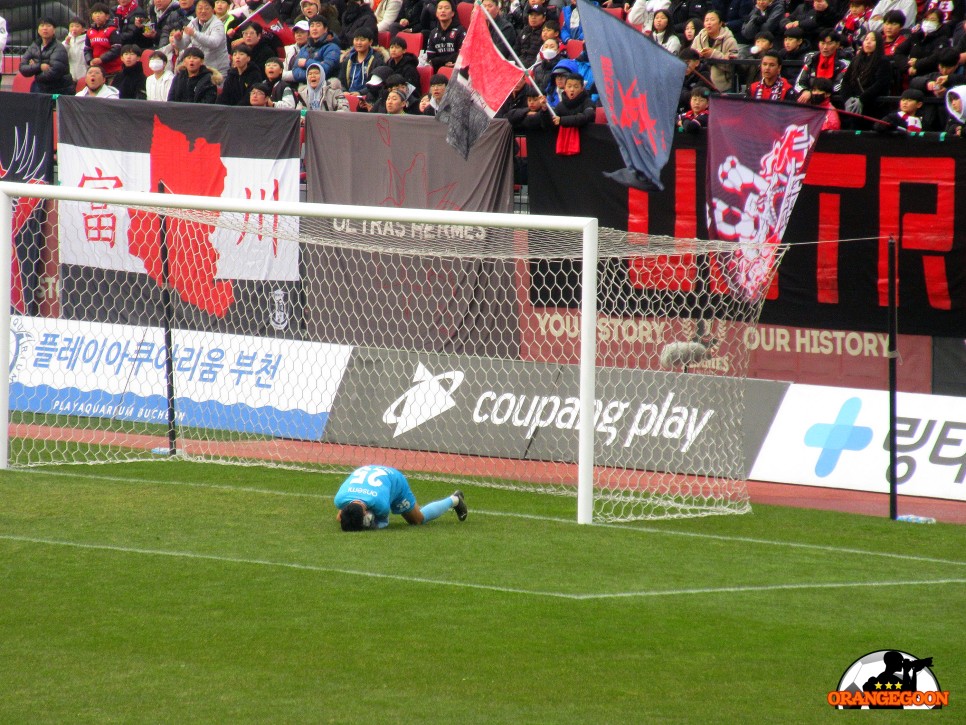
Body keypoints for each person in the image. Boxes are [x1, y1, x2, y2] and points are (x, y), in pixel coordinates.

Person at [334, 465, 467, 531]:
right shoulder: (340, 499)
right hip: (371, 473)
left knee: (417, 520)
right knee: (347, 519)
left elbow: (382, 523)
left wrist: (369, 523)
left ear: (365, 512)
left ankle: (455, 500)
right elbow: (341, 516)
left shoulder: (381, 505)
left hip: (394, 480)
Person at [838, 31, 893, 120]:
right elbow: (846, 81)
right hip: (854, 105)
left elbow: (880, 84)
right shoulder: (856, 60)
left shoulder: (883, 61)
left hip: (874, 106)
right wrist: (847, 99)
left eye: (873, 40)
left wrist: (862, 99)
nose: (868, 42)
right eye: (866, 39)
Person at [20, 18, 76, 95]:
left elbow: (54, 73)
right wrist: (39, 67)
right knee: (35, 88)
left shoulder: (59, 47)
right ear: (38, 30)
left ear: (54, 30)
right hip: (42, 87)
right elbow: (23, 68)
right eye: (42, 26)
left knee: (36, 86)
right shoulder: (34, 46)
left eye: (48, 26)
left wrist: (35, 71)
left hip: (59, 89)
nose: (45, 28)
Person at [794, 30, 850, 101]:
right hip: (810, 100)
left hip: (833, 100)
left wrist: (815, 93)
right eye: (822, 43)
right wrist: (805, 91)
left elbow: (839, 86)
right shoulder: (811, 59)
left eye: (829, 44)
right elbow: (799, 82)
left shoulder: (844, 63)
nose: (825, 47)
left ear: (837, 44)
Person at [690, 9, 738, 92]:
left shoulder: (730, 40)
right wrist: (698, 55)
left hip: (723, 86)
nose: (709, 23)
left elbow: (732, 66)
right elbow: (691, 55)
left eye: (712, 20)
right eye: (706, 20)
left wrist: (713, 54)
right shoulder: (699, 37)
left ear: (720, 23)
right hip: (702, 84)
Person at [179, 0, 230, 75]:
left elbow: (214, 43)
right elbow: (182, 45)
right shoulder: (192, 23)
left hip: (217, 70)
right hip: (199, 68)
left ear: (213, 10)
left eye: (206, 8)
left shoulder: (218, 24)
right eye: (200, 8)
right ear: (195, 10)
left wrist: (195, 34)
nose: (203, 11)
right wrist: (178, 39)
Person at [337, 27, 386, 93]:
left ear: (370, 42)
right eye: (356, 40)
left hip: (368, 97)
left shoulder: (377, 60)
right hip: (348, 96)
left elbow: (376, 84)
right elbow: (341, 81)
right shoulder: (347, 60)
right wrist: (344, 91)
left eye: (362, 40)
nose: (359, 43)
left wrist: (360, 93)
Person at [86, 3, 123, 80]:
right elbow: (87, 49)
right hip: (97, 71)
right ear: (92, 17)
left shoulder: (112, 30)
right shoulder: (90, 32)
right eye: (95, 13)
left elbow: (116, 49)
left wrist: (101, 59)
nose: (98, 16)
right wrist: (90, 60)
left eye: (100, 13)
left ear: (107, 16)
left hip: (113, 71)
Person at [426, 0, 465, 70]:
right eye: (440, 8)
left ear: (453, 13)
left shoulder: (460, 31)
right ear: (436, 13)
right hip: (438, 71)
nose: (443, 11)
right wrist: (444, 62)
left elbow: (461, 55)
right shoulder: (433, 33)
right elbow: (431, 59)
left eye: (446, 8)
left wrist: (439, 60)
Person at [516, 4, 548, 69]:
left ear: (544, 18)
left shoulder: (545, 33)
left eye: (536, 15)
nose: (533, 17)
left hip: (534, 66)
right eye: (531, 15)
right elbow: (515, 49)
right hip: (519, 63)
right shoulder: (524, 30)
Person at [63, 17, 90, 82]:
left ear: (83, 29)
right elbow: (62, 55)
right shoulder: (66, 41)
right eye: (71, 26)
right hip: (70, 77)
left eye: (77, 26)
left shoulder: (87, 41)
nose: (74, 28)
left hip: (83, 77)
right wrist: (66, 43)